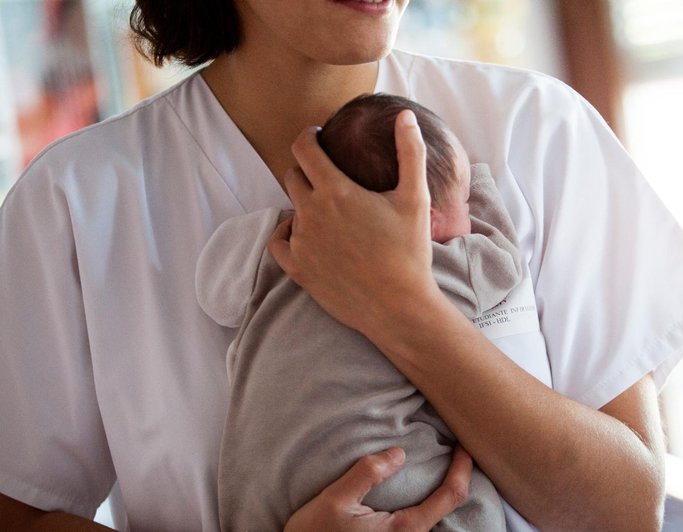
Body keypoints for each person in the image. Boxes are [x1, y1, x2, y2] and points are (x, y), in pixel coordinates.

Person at [0, 0, 683, 530]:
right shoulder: (75, 200)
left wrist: (403, 307)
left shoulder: (537, 132)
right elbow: (22, 508)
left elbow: (626, 513)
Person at [201, 93, 521, 531]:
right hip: (379, 482)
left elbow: (213, 293)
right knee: (472, 496)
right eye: (463, 205)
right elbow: (505, 265)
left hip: (252, 500)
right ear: (426, 220)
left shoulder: (284, 247)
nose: (469, 215)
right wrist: (478, 183)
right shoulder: (440, 265)